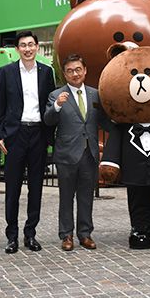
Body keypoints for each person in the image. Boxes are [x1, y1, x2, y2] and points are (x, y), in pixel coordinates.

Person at [0, 31, 55, 253]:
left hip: (38, 133)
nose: (27, 49)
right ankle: (12, 236)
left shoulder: (46, 72)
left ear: (37, 47)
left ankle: (31, 234)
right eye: (23, 45)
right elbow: (0, 106)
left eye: (31, 44)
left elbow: (50, 105)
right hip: (15, 135)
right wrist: (0, 135)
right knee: (12, 188)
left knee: (36, 187)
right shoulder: (6, 72)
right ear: (17, 49)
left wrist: (49, 135)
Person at [43, 54, 109, 251]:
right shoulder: (56, 95)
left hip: (89, 153)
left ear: (85, 70)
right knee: (66, 197)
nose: (75, 74)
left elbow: (104, 121)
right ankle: (66, 235)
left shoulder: (95, 94)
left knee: (86, 196)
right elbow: (48, 120)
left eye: (78, 69)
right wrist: (57, 106)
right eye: (70, 71)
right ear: (65, 74)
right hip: (67, 154)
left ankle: (85, 234)